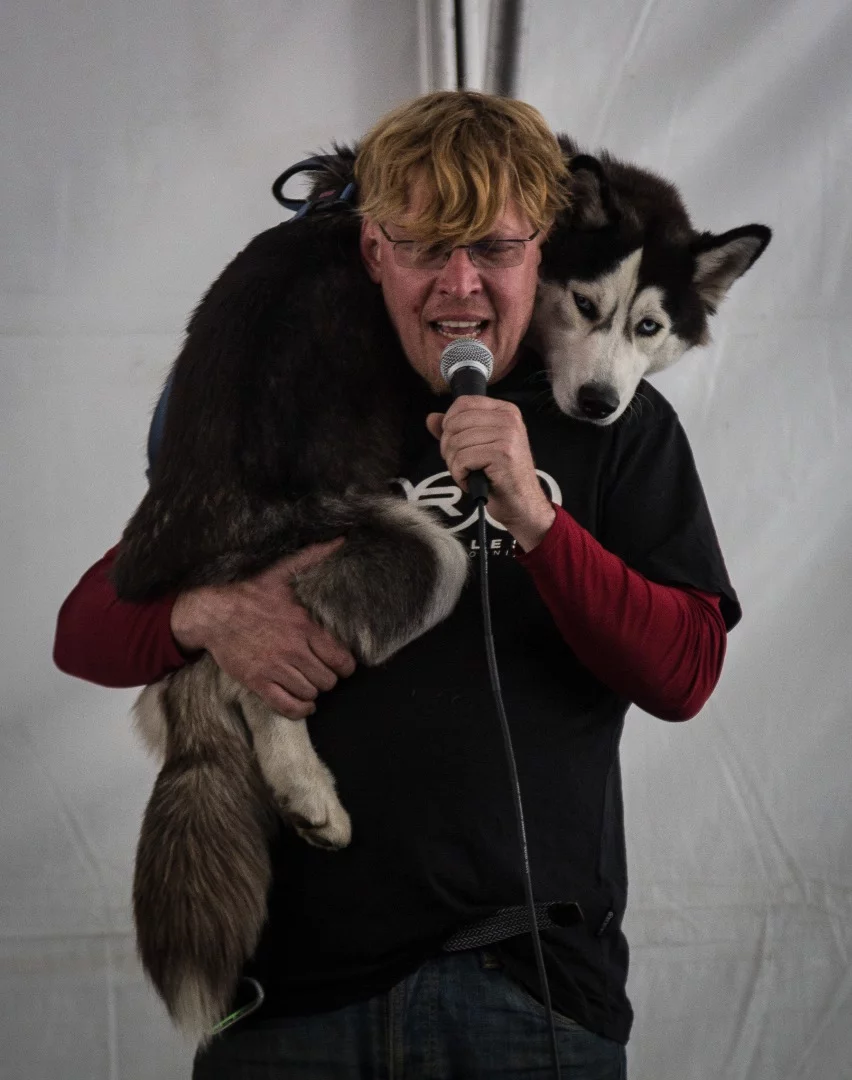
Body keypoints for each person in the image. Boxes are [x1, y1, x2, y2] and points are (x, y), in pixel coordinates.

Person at [54, 91, 738, 1079]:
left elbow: (686, 673)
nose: (459, 286)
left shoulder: (618, 430)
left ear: (541, 248)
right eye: (425, 248)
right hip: (292, 1005)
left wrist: (539, 522)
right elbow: (87, 628)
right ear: (372, 249)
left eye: (494, 251)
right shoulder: (292, 398)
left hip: (529, 995)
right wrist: (209, 612)